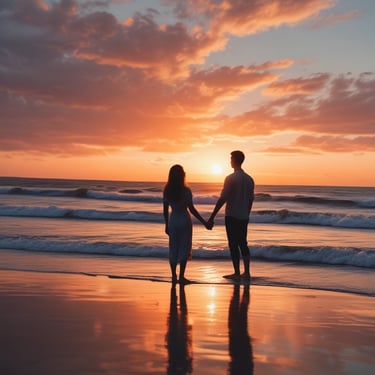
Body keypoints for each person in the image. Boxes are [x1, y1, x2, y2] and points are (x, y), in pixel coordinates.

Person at [207, 151, 255, 281]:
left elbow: (223, 198)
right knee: (243, 243)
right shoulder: (249, 179)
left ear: (234, 160)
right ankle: (247, 272)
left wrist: (212, 216)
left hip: (232, 215)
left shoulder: (230, 178)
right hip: (244, 216)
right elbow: (251, 200)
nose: (230, 161)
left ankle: (237, 272)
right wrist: (247, 214)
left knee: (233, 244)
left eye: (231, 159)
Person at [163, 164, 208, 284]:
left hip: (173, 220)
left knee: (173, 247)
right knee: (184, 247)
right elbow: (192, 209)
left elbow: (165, 209)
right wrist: (204, 222)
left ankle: (173, 275)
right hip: (184, 219)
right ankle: (182, 276)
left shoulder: (167, 191)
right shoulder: (186, 191)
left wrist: (166, 225)